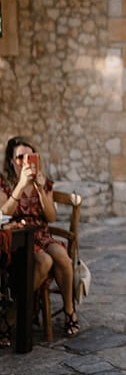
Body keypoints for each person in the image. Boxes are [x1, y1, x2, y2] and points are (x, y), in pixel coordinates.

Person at [0, 136, 80, 338]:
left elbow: (51, 217)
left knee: (62, 256)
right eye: (20, 157)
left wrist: (41, 189)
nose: (25, 161)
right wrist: (21, 185)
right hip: (16, 237)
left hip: (41, 234)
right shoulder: (4, 183)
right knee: (44, 261)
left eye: (30, 156)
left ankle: (70, 312)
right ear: (11, 160)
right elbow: (4, 213)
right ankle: (12, 315)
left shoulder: (43, 181)